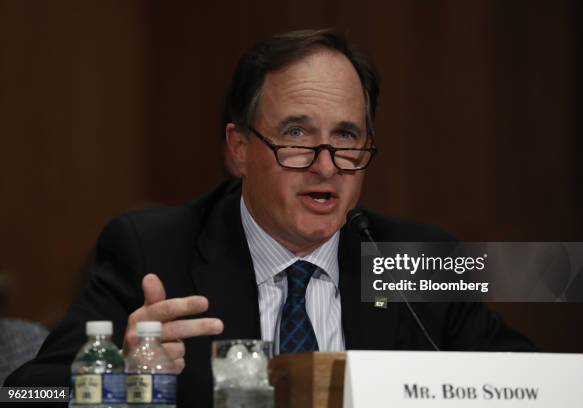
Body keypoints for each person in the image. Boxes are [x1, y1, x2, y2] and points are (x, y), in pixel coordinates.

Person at [5, 29, 533, 407]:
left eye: (346, 136)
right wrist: (115, 374)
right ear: (239, 149)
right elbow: (25, 392)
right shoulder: (151, 252)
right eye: (297, 135)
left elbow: (536, 389)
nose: (326, 166)